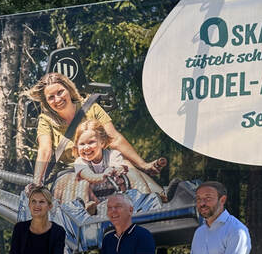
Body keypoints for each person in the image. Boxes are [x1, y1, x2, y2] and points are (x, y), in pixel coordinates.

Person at [26, 72, 166, 199]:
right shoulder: (45, 120)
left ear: (68, 90)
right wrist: (37, 183)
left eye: (60, 92)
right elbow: (45, 150)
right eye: (51, 97)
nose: (57, 99)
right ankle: (86, 212)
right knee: (73, 183)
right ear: (46, 102)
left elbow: (114, 139)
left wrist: (142, 165)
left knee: (129, 168)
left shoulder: (91, 108)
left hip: (102, 164)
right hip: (71, 170)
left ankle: (160, 199)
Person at [69, 119, 167, 211]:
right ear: (76, 146)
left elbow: (121, 166)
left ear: (102, 142)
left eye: (91, 142)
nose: (86, 147)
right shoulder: (80, 161)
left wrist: (119, 169)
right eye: (82, 144)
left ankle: (147, 198)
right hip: (95, 201)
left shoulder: (112, 155)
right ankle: (88, 207)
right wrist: (103, 175)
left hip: (115, 196)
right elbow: (89, 176)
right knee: (82, 183)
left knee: (131, 172)